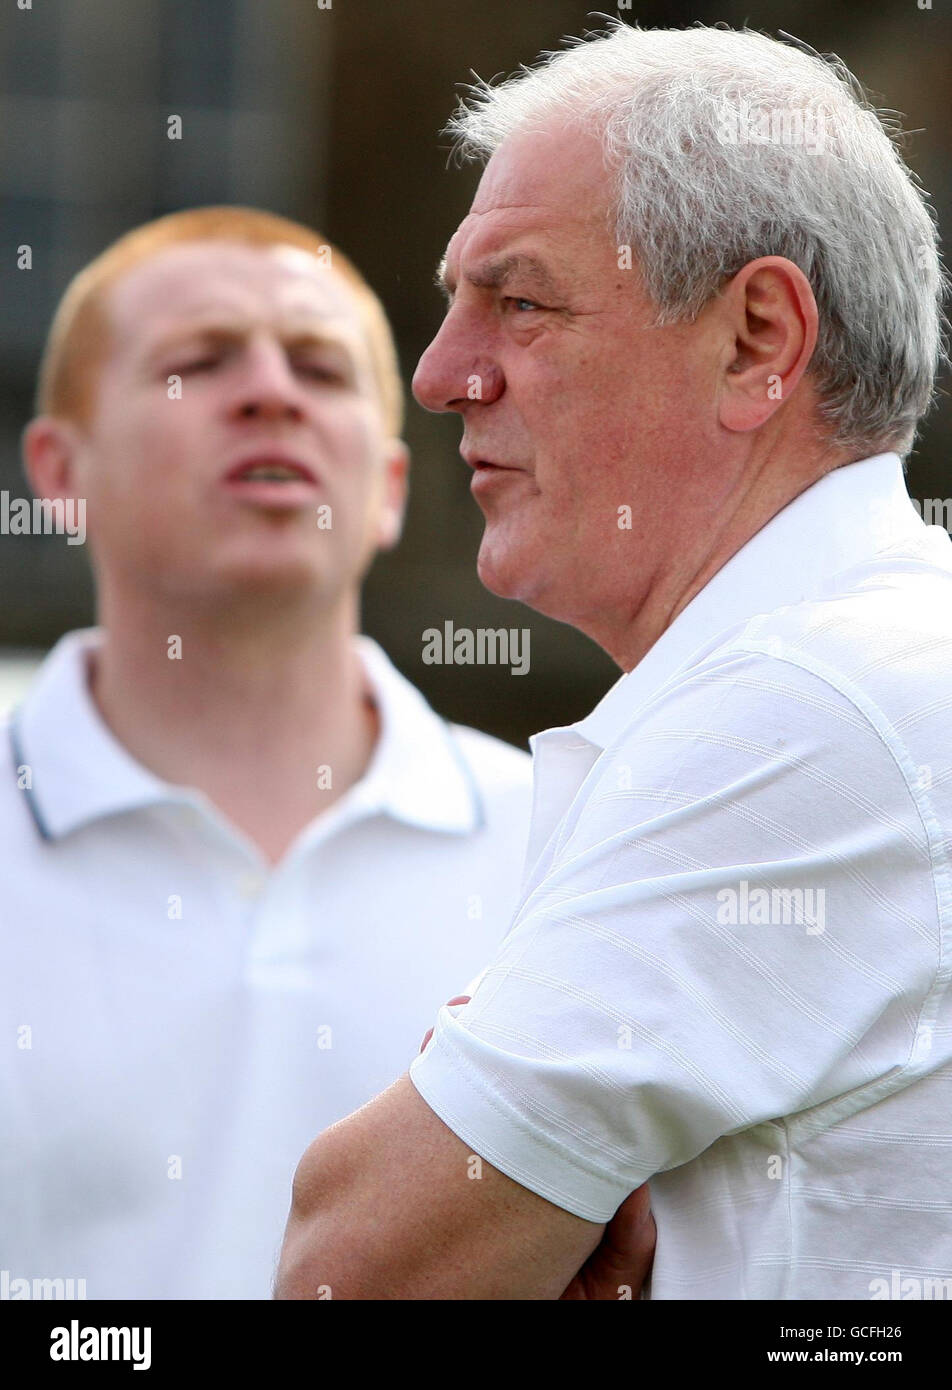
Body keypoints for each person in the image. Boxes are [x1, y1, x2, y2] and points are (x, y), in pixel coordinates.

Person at [275, 22, 952, 1301]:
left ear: (757, 339)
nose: (437, 375)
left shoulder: (807, 704)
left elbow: (352, 1271)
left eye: (519, 300)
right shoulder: (869, 661)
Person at [0, 206, 544, 1300]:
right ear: (62, 473)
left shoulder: (561, 849)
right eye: (197, 362)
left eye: (319, 368)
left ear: (388, 487)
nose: (269, 393)